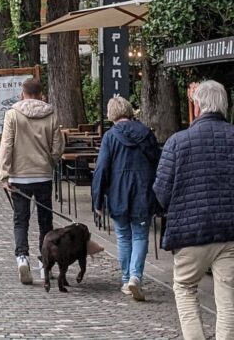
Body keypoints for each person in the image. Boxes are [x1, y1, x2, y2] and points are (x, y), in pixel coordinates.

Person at [153, 80, 234, 340]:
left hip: (190, 231)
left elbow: (161, 191)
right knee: (228, 296)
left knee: (185, 288)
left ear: (197, 107)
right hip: (230, 231)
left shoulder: (178, 142)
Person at [91, 97, 161, 301]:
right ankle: (135, 276)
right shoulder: (146, 134)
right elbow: (158, 163)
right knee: (140, 235)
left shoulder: (110, 137)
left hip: (118, 193)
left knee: (123, 236)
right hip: (143, 191)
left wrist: (98, 200)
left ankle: (125, 279)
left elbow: (101, 169)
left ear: (111, 114)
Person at [0, 78, 63, 285]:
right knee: (45, 221)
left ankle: (22, 257)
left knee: (20, 219)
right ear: (41, 94)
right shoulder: (51, 114)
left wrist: (4, 173)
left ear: (22, 93)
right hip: (43, 174)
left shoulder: (13, 114)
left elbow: (6, 145)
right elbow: (58, 146)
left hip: (19, 175)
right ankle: (45, 264)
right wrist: (50, 162)